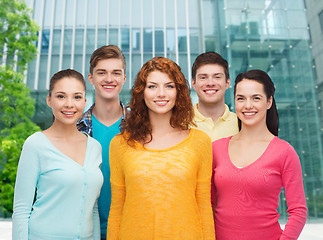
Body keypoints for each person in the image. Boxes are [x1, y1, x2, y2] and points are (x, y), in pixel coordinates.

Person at [107, 57, 215, 239]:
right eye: (152, 86)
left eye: (169, 86)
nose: (161, 93)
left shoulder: (200, 142)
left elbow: (204, 207)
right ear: (141, 92)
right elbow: (117, 208)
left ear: (179, 92)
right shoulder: (120, 144)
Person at [211, 69, 307, 240]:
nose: (248, 105)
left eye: (256, 98)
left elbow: (298, 211)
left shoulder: (284, 152)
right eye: (241, 98)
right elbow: (207, 204)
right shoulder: (215, 149)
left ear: (269, 101)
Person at [12, 69, 103, 239]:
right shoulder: (35, 144)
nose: (69, 104)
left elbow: (93, 208)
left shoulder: (95, 147)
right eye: (61, 96)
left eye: (76, 97)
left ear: (84, 101)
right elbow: (21, 210)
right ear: (49, 100)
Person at [76, 45, 126, 240]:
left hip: (129, 230)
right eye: (101, 72)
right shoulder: (76, 127)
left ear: (124, 78)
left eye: (116, 73)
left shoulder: (141, 128)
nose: (109, 79)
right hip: (85, 233)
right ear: (91, 78)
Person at [191, 52, 238, 141]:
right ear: (194, 84)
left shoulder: (242, 124)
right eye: (203, 77)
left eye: (217, 77)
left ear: (227, 83)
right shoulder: (180, 124)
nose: (210, 83)